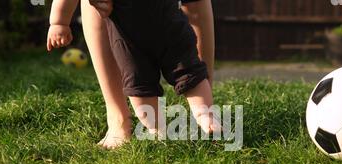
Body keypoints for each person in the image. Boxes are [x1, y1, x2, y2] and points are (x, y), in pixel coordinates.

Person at [47, 0, 218, 148]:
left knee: (190, 73)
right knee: (141, 87)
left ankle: (206, 115)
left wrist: (59, 23)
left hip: (169, 27)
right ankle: (158, 130)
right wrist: (59, 22)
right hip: (131, 42)